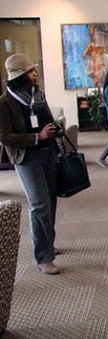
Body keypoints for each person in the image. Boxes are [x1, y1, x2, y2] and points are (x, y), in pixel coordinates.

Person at [0, 53, 62, 274]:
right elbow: (5, 137)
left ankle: (49, 244)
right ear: (19, 77)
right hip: (26, 158)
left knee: (51, 203)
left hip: (47, 154)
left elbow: (47, 122)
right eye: (29, 71)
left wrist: (55, 128)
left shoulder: (38, 96)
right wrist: (38, 137)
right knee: (39, 205)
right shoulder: (5, 103)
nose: (34, 73)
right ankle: (43, 257)